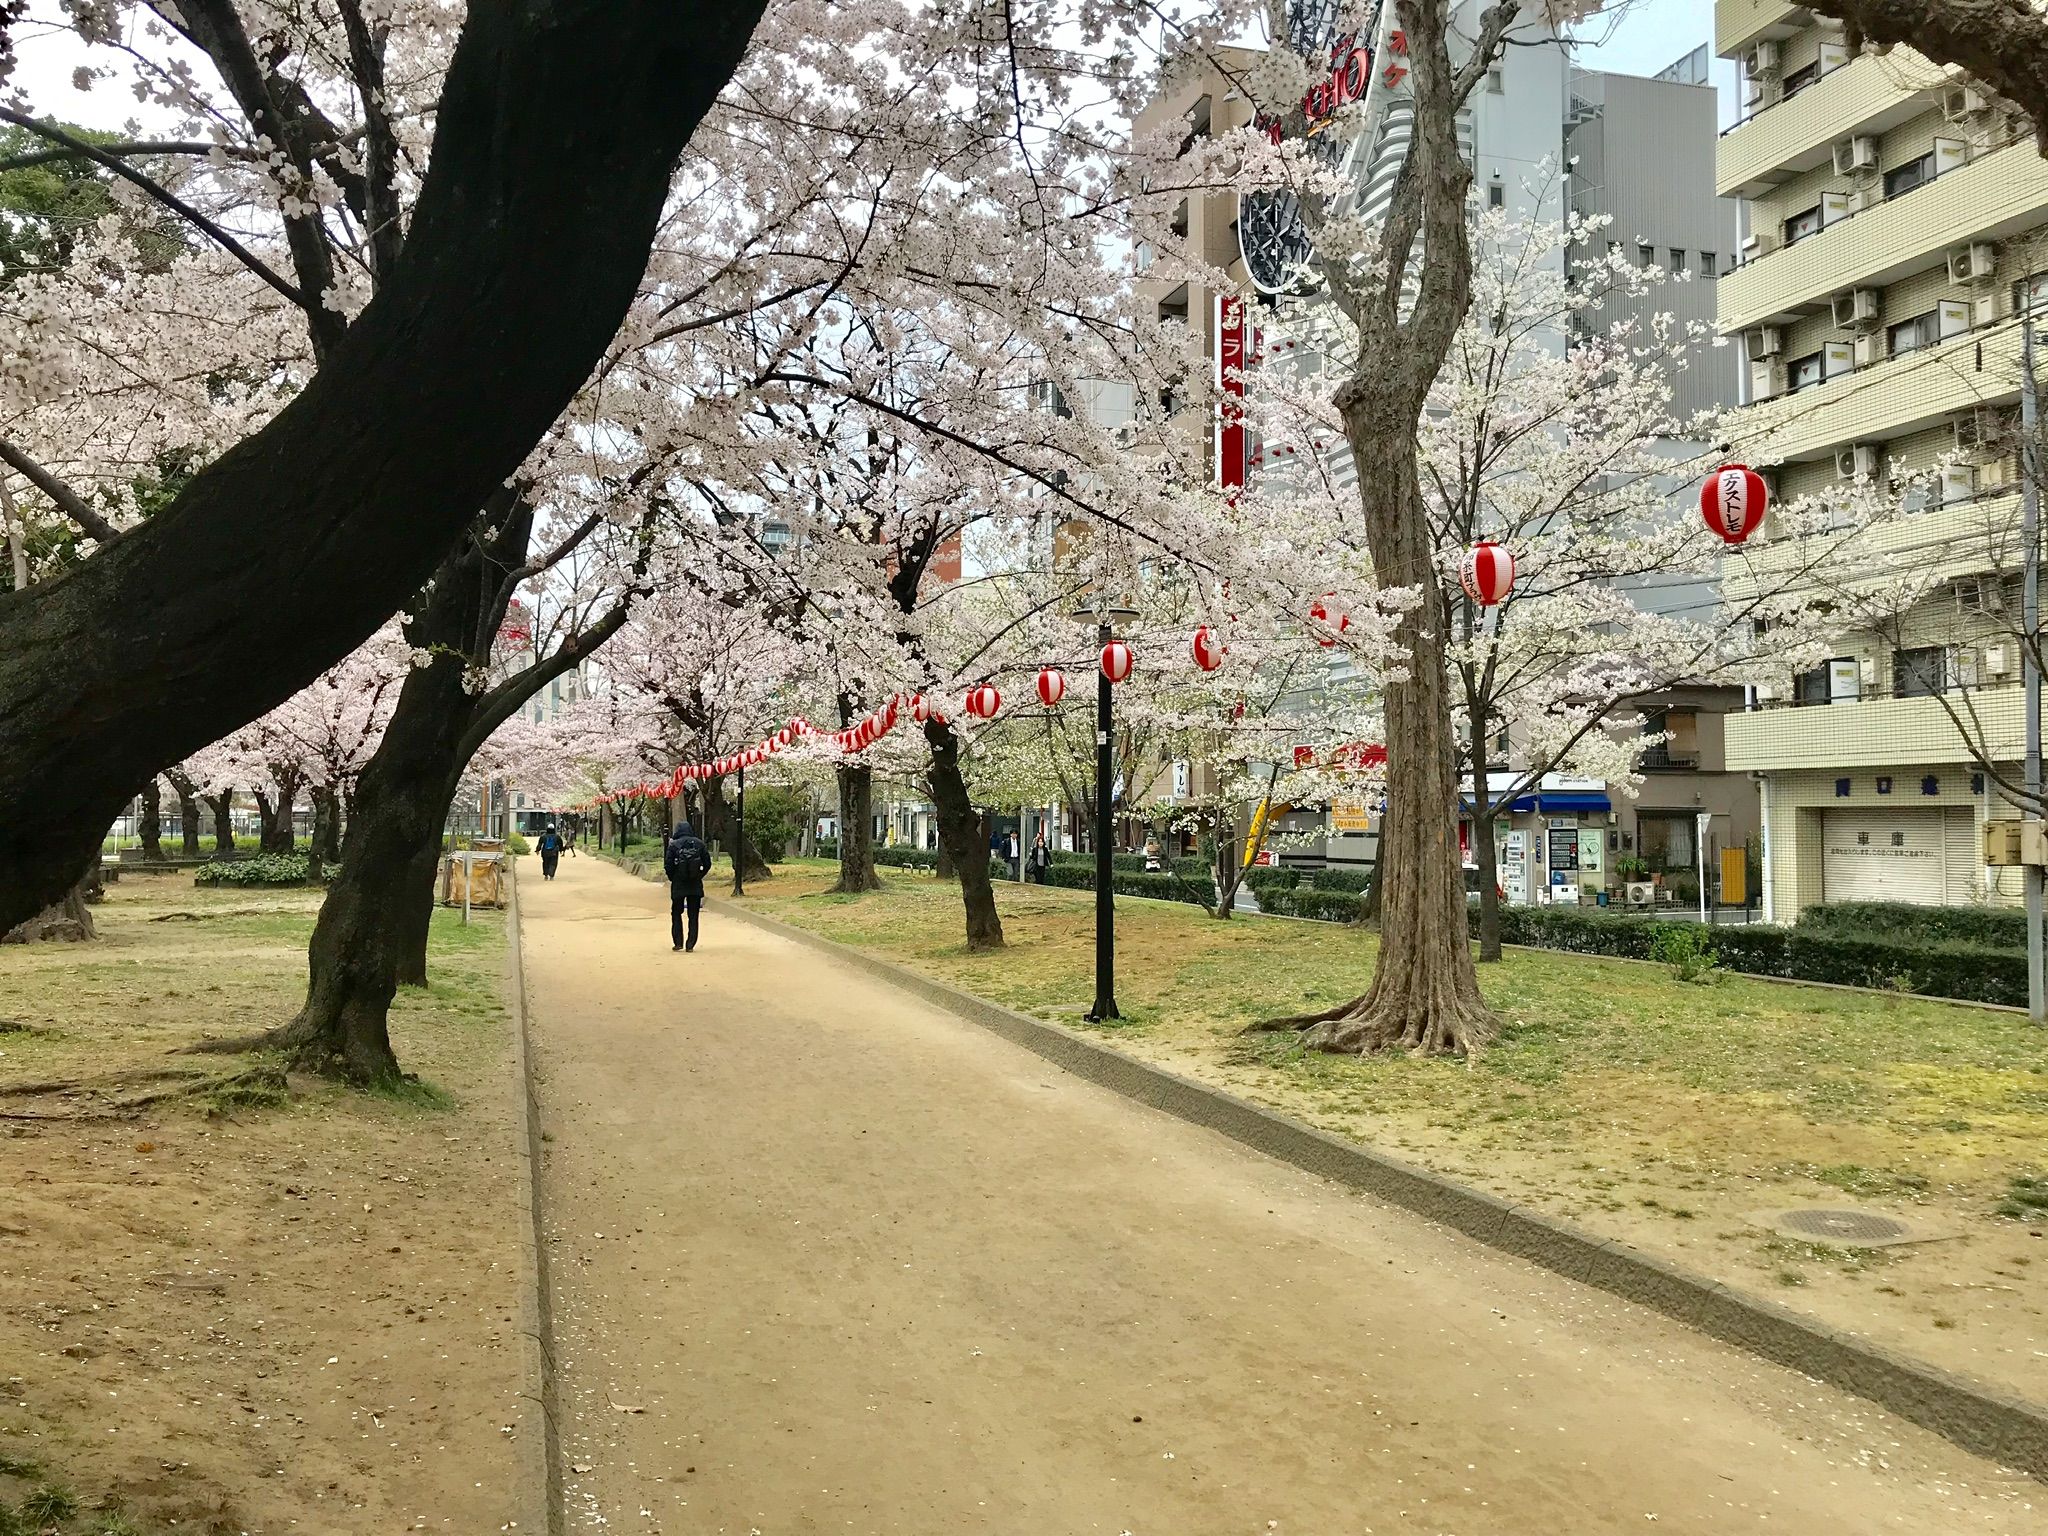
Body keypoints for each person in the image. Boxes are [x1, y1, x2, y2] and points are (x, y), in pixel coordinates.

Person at [663, 819, 713, 952]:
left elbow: (668, 865)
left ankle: (678, 942)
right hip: (695, 884)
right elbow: (707, 863)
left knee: (676, 913)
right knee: (693, 915)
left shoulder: (674, 845)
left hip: (679, 884)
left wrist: (673, 878)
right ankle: (690, 944)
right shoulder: (699, 844)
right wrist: (699, 875)